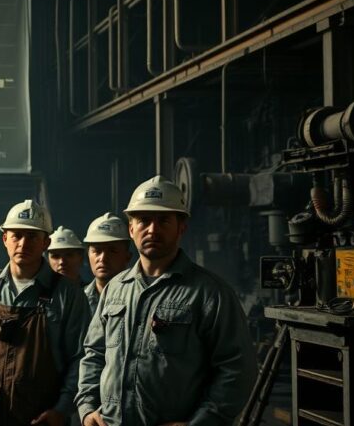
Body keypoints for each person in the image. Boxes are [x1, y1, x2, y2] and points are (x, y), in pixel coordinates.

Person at [76, 176, 257, 426]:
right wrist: (87, 409)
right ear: (131, 228)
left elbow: (237, 369)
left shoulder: (209, 293)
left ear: (181, 227)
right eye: (143, 220)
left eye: (163, 220)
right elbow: (94, 354)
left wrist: (201, 423)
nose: (152, 229)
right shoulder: (115, 289)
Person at [0, 199, 90, 426]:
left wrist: (61, 410)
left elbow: (81, 359)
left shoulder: (68, 294)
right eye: (17, 235)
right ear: (5, 239)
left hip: (42, 418)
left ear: (46, 242)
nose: (24, 243)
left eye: (32, 236)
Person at [80, 213, 132, 315]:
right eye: (97, 251)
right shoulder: (77, 300)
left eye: (112, 251)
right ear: (88, 255)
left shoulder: (136, 296)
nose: (103, 258)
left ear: (127, 257)